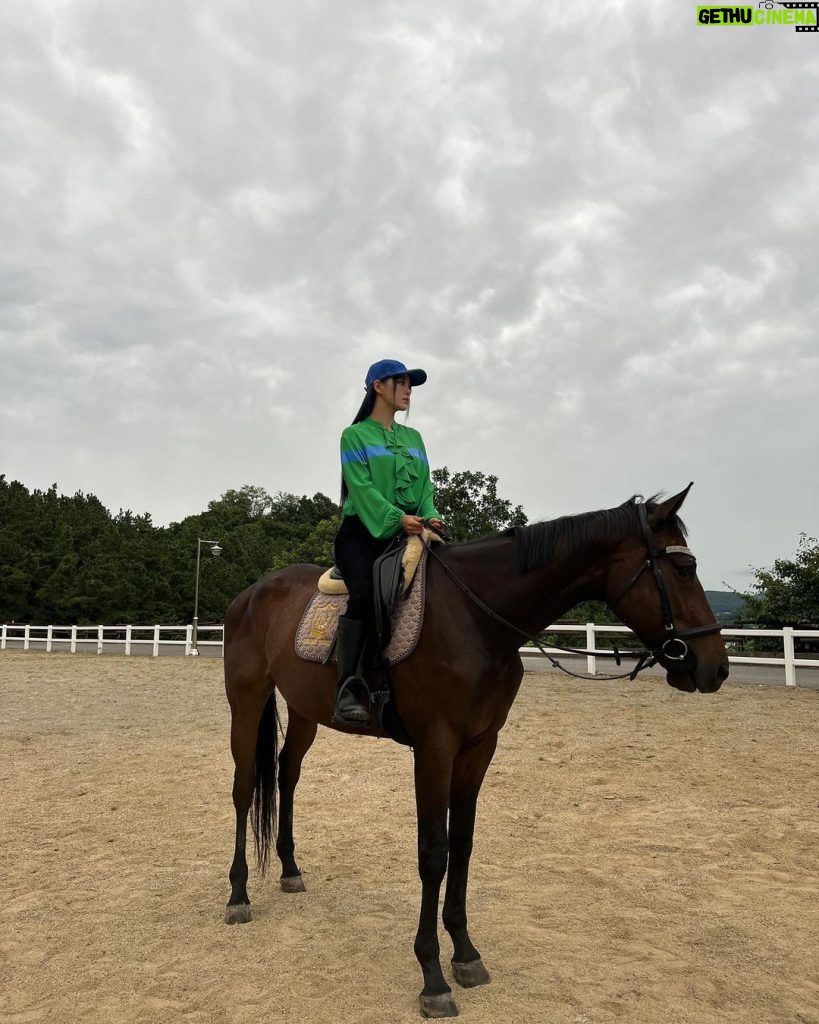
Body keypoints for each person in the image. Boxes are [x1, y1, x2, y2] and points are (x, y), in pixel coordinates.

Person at [332, 358, 444, 725]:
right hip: (364, 534)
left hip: (411, 529)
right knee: (365, 595)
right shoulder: (354, 436)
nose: (409, 389)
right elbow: (361, 491)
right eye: (403, 382)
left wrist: (431, 514)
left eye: (410, 383)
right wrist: (399, 519)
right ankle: (349, 686)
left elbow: (425, 486)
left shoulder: (414, 438)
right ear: (378, 386)